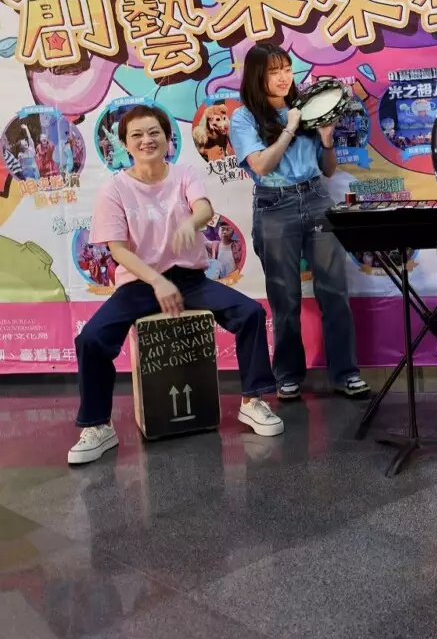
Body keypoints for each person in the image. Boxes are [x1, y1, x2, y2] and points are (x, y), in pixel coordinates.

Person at [69, 105, 283, 465]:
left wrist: (192, 223)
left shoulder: (185, 173)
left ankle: (253, 400)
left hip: (189, 279)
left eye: (154, 132)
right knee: (91, 339)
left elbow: (203, 208)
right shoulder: (114, 189)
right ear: (125, 144)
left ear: (168, 138)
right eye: (137, 135)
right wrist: (156, 282)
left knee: (249, 313)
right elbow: (118, 250)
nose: (146, 140)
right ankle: (97, 425)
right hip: (140, 283)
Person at [229, 43, 369, 400]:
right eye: (274, 71)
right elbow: (261, 166)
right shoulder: (244, 118)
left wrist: (326, 140)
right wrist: (290, 127)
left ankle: (346, 373)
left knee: (334, 291)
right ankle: (288, 374)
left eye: (287, 69)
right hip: (274, 206)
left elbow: (328, 170)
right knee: (284, 296)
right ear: (257, 76)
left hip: (317, 198)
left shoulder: (306, 108)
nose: (283, 77)